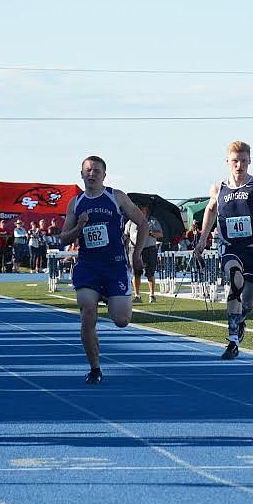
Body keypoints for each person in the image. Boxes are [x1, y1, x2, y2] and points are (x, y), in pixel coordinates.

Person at [193, 140, 253, 360]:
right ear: (227, 162)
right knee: (235, 280)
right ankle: (233, 340)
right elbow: (210, 210)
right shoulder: (219, 188)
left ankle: (240, 321)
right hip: (229, 247)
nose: (239, 165)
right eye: (235, 161)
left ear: (249, 161)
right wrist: (202, 239)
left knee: (249, 302)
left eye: (243, 161)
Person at [59, 155, 147, 384]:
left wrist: (137, 254)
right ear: (81, 174)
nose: (91, 174)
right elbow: (63, 237)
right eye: (87, 170)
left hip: (115, 266)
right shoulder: (75, 203)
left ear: (104, 175)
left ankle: (110, 296)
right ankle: (95, 368)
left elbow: (143, 222)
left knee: (121, 320)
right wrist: (79, 226)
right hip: (88, 267)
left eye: (96, 170)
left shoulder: (115, 197)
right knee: (88, 314)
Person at [126, 202, 163, 303]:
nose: (139, 209)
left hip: (149, 249)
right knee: (136, 273)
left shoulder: (152, 221)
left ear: (146, 209)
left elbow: (160, 234)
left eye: (141, 207)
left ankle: (152, 295)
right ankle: (137, 295)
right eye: (138, 207)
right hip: (134, 248)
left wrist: (150, 232)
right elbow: (126, 234)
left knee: (149, 272)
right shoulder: (131, 221)